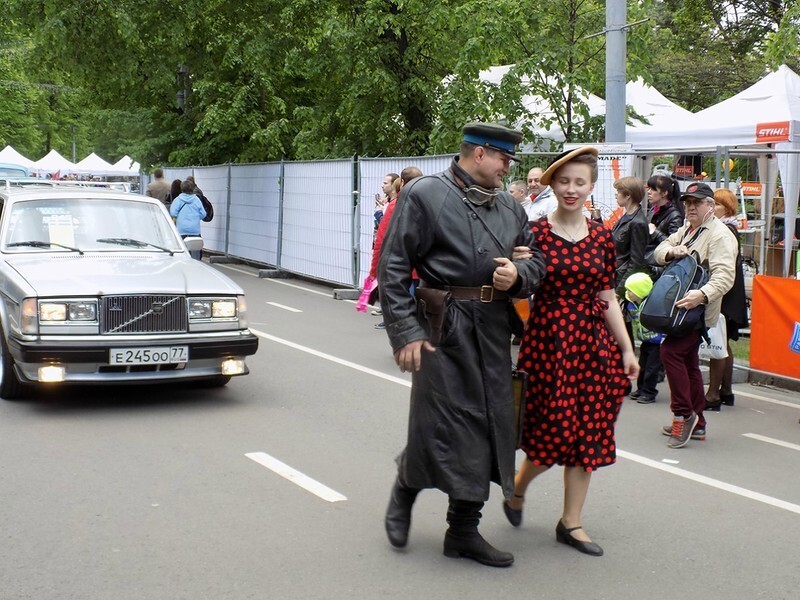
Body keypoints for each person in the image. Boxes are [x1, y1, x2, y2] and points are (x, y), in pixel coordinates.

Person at [378, 123, 546, 568]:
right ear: (479, 155)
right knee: (439, 424)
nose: (508, 168)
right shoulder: (426, 194)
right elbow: (393, 265)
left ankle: (463, 531)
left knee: (488, 427)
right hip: (442, 327)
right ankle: (405, 489)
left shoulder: (511, 208)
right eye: (504, 160)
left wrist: (519, 277)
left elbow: (535, 263)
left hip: (492, 330)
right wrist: (406, 332)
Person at [506, 146, 638, 558]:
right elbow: (520, 287)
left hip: (591, 348)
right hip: (549, 346)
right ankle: (517, 487)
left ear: (591, 186)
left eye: (579, 182)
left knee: (588, 437)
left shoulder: (601, 235)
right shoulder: (536, 234)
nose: (571, 189)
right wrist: (514, 268)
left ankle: (571, 522)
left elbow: (607, 295)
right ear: (552, 184)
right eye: (564, 181)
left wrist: (627, 350)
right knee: (552, 437)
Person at [652, 182, 737, 448]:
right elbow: (658, 251)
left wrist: (701, 295)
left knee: (671, 352)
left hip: (697, 311)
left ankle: (683, 415)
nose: (690, 206)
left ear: (710, 207)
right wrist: (671, 251)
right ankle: (698, 422)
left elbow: (725, 276)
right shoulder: (688, 229)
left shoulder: (720, 235)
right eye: (688, 202)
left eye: (696, 202)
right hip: (681, 308)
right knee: (687, 360)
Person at [705, 188, 748, 411]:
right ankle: (725, 391)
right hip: (730, 292)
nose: (713, 208)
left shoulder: (725, 230)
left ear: (727, 209)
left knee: (719, 343)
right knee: (724, 342)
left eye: (717, 205)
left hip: (725, 293)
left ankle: (713, 394)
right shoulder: (727, 228)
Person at [369, 167, 424, 328]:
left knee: (403, 302)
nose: (382, 186)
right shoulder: (432, 201)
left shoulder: (397, 205)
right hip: (425, 265)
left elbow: (382, 237)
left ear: (402, 183)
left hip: (402, 264)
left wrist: (375, 269)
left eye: (386, 183)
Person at [624, 272, 667, 405]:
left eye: (631, 290)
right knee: (642, 365)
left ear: (640, 291)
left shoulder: (654, 303)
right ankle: (641, 388)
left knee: (651, 368)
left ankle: (649, 392)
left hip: (657, 341)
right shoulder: (630, 303)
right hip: (645, 340)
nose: (628, 293)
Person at [644, 174, 683, 278]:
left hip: (659, 269)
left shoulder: (675, 216)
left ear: (664, 193)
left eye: (653, 189)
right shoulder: (653, 210)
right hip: (647, 262)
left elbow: (674, 245)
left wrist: (655, 232)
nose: (649, 192)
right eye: (649, 188)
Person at [170, 179, 207, 259]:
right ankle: (196, 263)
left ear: (182, 189)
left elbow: (173, 213)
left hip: (181, 229)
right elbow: (203, 214)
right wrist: (196, 217)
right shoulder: (196, 200)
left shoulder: (178, 200)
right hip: (194, 229)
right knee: (195, 251)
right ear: (192, 189)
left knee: (182, 250)